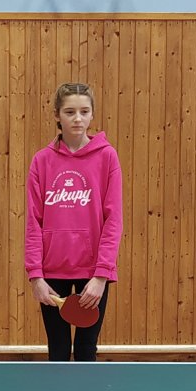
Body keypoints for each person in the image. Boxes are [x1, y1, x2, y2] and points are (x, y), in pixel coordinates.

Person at [25, 82, 123, 361]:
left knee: (85, 351)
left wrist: (101, 275)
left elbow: (113, 220)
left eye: (84, 111)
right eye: (70, 112)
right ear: (57, 115)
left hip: (92, 272)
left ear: (92, 114)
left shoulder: (107, 156)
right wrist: (35, 275)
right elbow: (33, 222)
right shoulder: (41, 161)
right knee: (56, 352)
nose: (77, 118)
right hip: (51, 272)